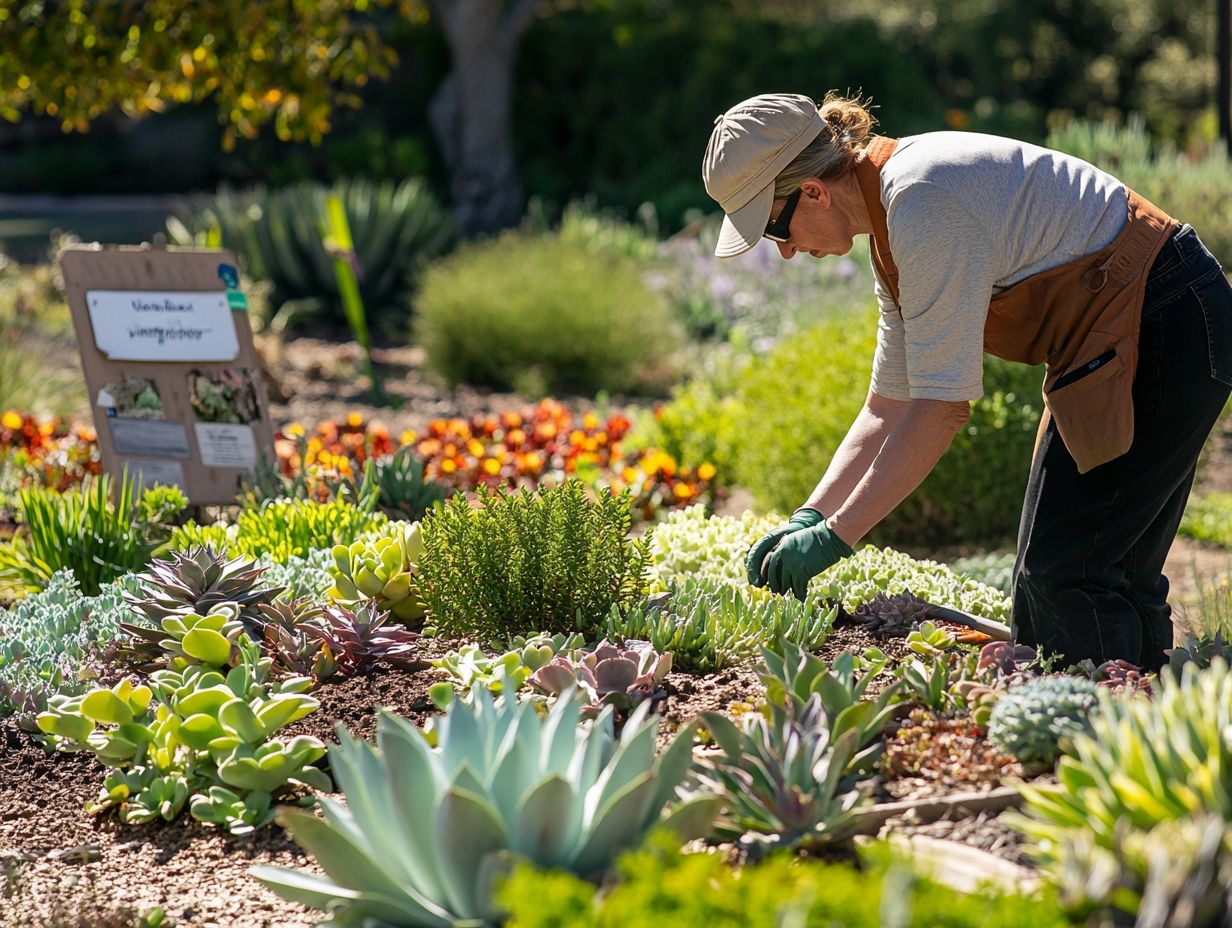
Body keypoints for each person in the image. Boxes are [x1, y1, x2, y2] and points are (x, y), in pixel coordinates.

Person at [702, 91, 1232, 670]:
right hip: (1123, 333)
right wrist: (811, 516)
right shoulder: (889, 221)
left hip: (1164, 322)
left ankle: (1105, 737)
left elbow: (940, 408)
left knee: (1068, 579)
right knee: (1075, 578)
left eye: (775, 227)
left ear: (812, 190)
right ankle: (1143, 717)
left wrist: (836, 538)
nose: (784, 252)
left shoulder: (921, 202)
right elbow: (888, 405)